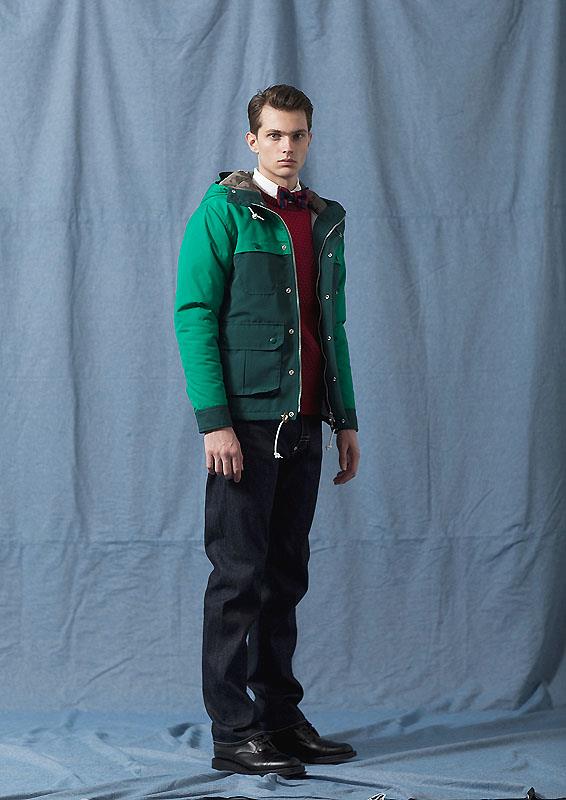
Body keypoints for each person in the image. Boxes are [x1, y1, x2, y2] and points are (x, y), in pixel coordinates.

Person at [174, 84, 361, 777]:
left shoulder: (323, 219)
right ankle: (234, 732)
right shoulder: (224, 212)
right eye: (275, 135)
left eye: (298, 135)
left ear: (310, 139)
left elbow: (330, 328)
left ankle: (280, 719)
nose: (287, 147)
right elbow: (194, 315)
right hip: (245, 428)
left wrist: (345, 418)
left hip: (306, 421)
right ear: (252, 140)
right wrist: (214, 424)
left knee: (286, 578)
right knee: (238, 580)